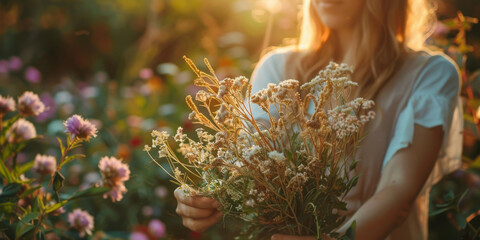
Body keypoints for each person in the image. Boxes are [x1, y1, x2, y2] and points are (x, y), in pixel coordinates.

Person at [174, 0, 464, 239]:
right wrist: (207, 196)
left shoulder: (429, 74)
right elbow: (247, 164)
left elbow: (398, 188)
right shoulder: (280, 68)